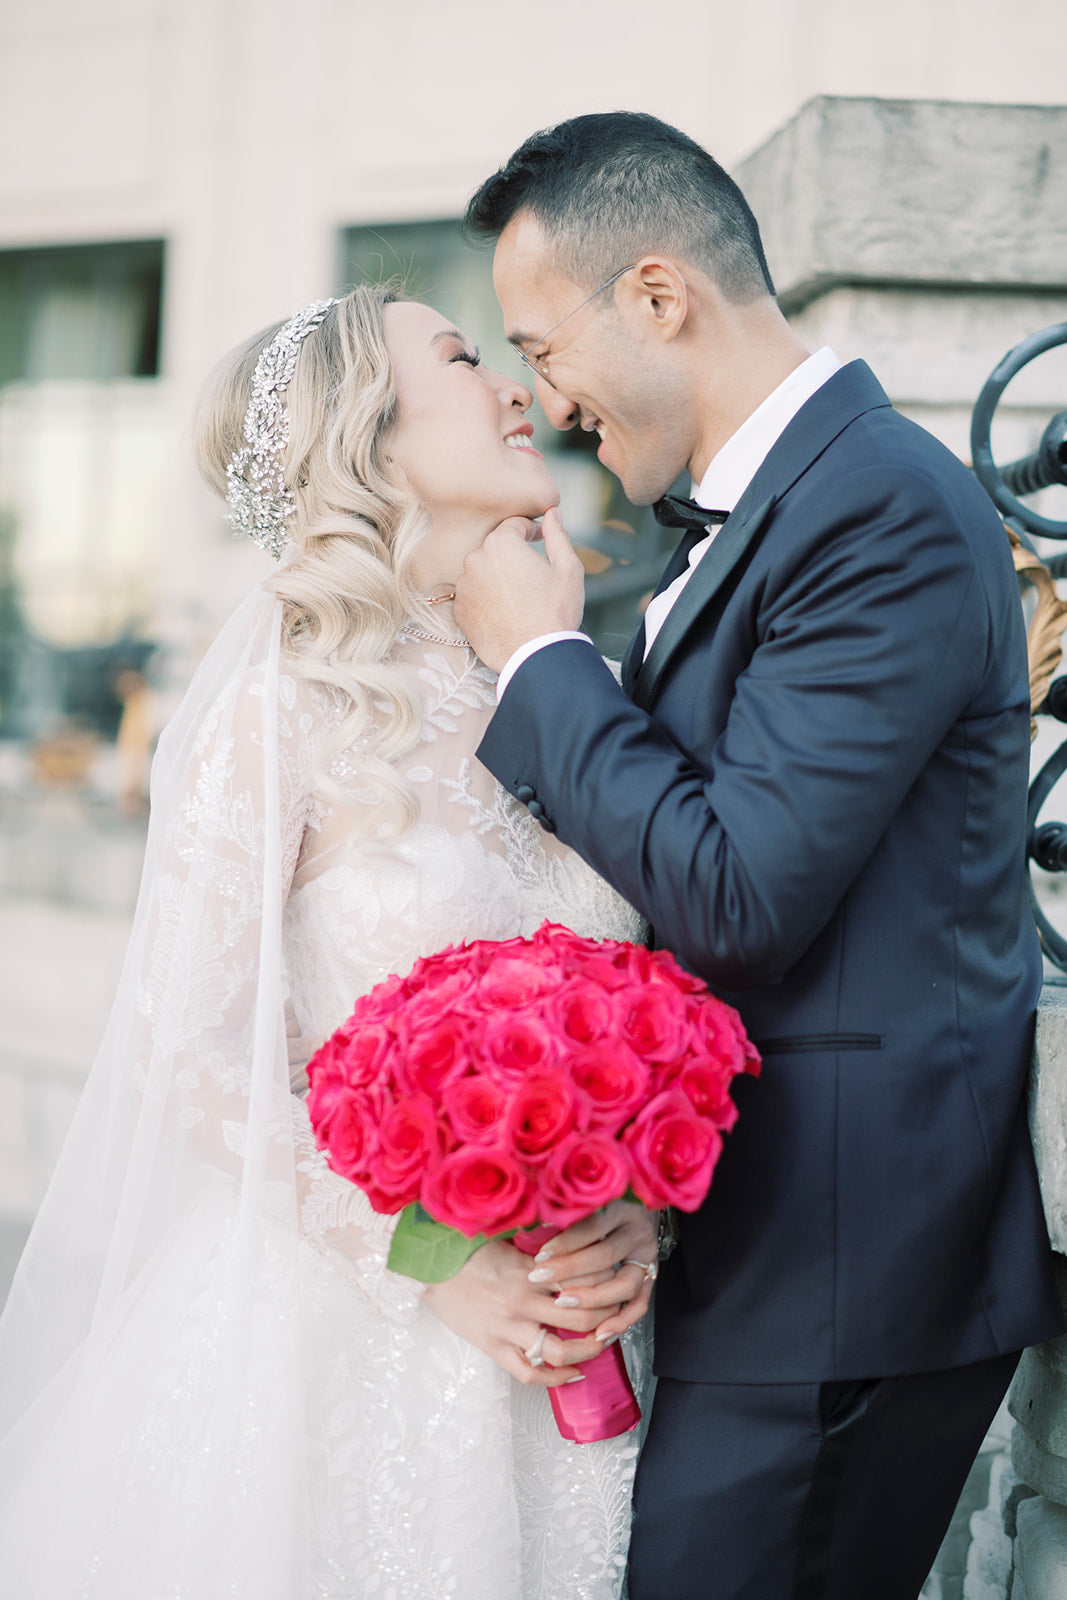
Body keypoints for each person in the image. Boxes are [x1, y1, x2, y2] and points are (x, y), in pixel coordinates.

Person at [450, 111, 1065, 1600]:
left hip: (843, 1277)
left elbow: (734, 893)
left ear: (660, 296)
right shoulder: (756, 519)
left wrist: (539, 657)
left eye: (541, 345)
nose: (545, 396)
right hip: (756, 1257)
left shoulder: (882, 510)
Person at [0, 285, 657, 1600]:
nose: (514, 384)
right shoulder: (286, 707)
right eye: (466, 359)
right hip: (356, 1332)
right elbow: (184, 1047)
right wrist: (432, 1262)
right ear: (371, 432)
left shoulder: (567, 685)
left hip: (581, 1328)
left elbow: (644, 1005)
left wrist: (634, 1214)